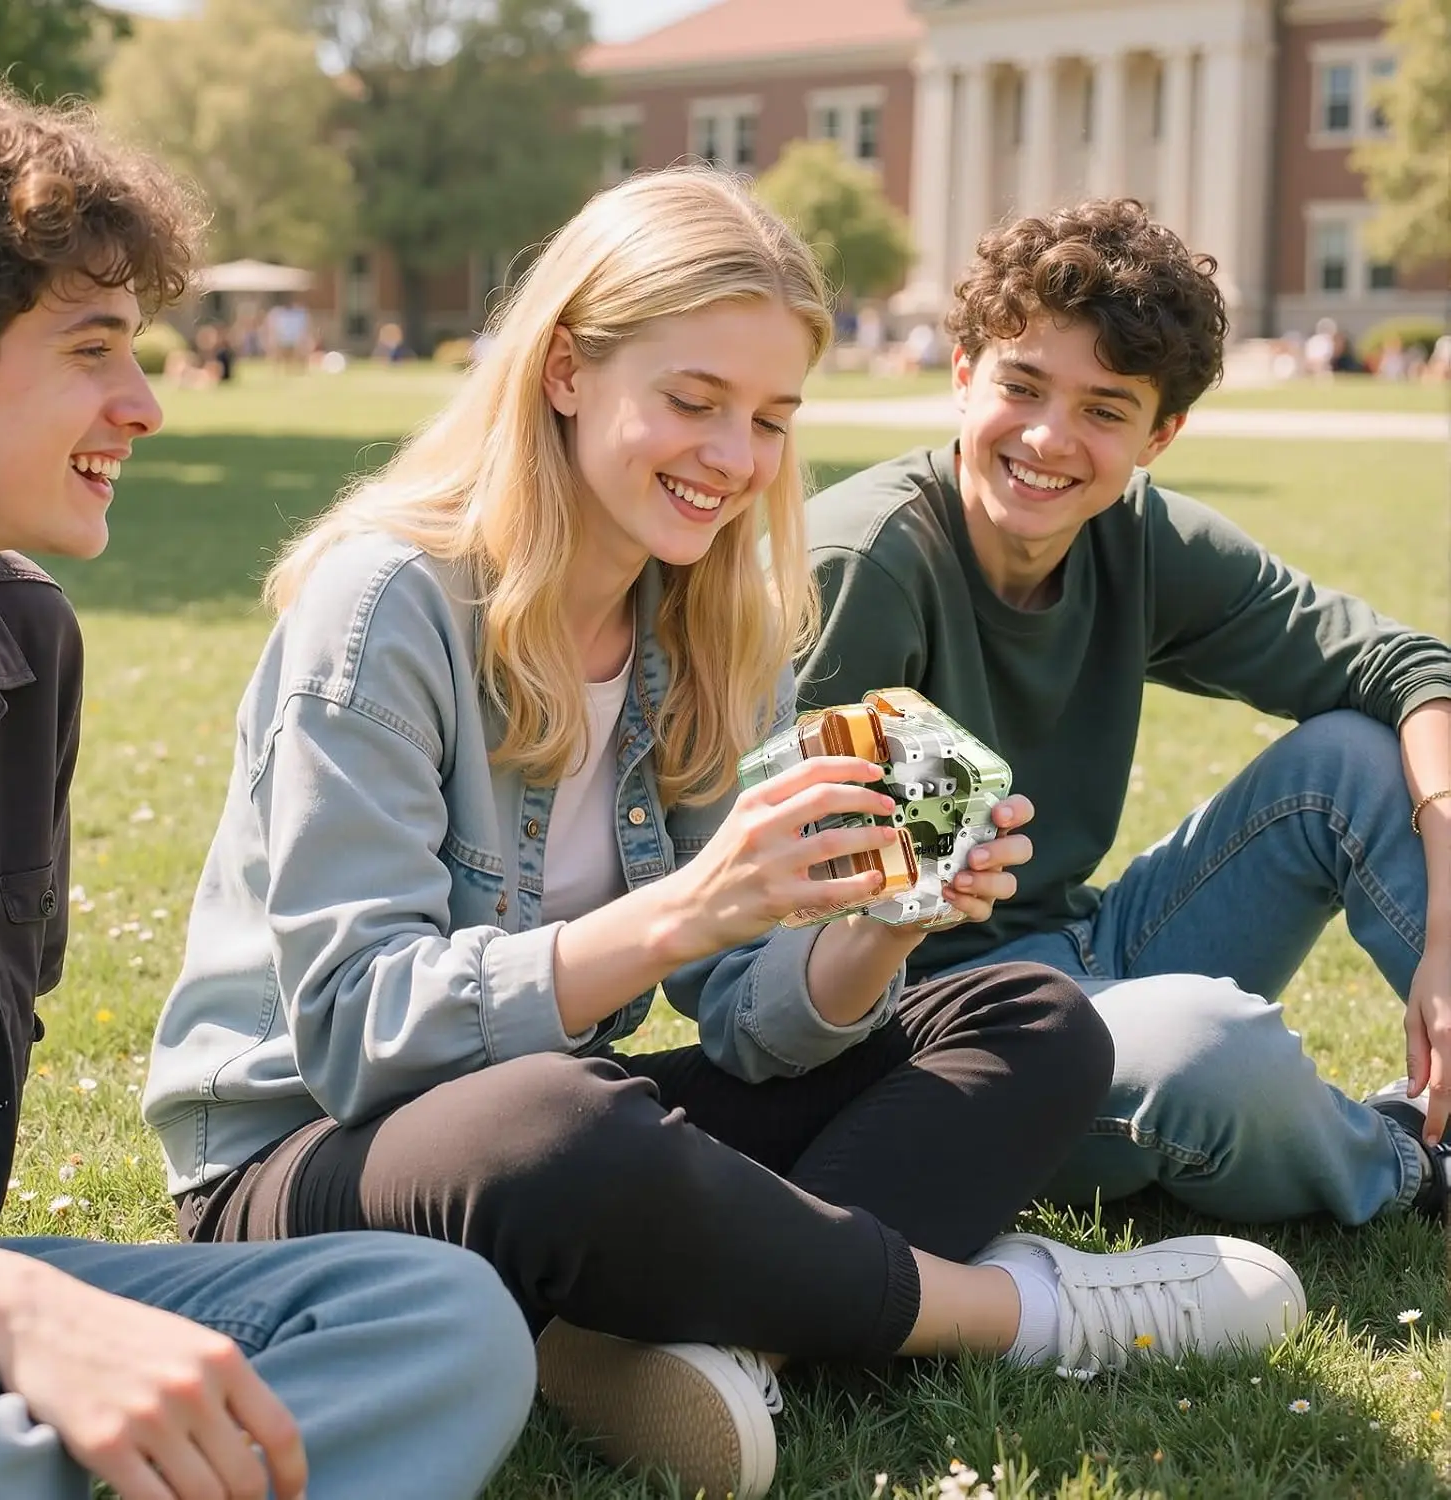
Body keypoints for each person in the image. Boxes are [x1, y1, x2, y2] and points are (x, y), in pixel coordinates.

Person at [144, 168, 1306, 1500]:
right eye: (694, 402)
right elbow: (358, 1033)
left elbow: (753, 1022)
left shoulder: (709, 617)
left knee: (1029, 1015)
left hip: (550, 1153)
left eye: (770, 419)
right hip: (293, 1173)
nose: (735, 460)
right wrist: (688, 908)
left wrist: (876, 925)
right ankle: (1031, 1313)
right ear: (568, 369)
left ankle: (673, 1329)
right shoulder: (386, 604)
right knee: (568, 1122)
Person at [0, 76, 534, 1500]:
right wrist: (4, 1310)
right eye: (93, 350)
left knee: (442, 1321)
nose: (145, 406)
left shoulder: (21, 646)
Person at [796, 198, 1451, 1231]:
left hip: (1094, 945)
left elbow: (1409, 666)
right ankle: (1411, 1162)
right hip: (942, 1037)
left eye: (1106, 409)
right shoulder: (865, 564)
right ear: (964, 375)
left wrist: (1447, 922)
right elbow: (780, 945)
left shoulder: (1134, 536)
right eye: (1023, 385)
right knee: (1215, 1046)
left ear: (1160, 435)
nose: (1052, 438)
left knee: (1354, 763)